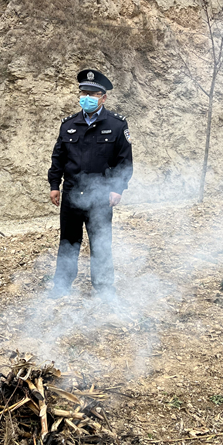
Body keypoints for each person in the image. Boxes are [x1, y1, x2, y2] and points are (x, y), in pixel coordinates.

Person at [47, 68, 133, 299]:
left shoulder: (117, 125)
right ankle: (61, 286)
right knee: (68, 242)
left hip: (101, 196)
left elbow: (125, 161)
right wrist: (54, 185)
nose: (87, 97)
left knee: (101, 243)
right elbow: (58, 158)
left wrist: (117, 188)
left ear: (103, 98)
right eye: (84, 93)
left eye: (93, 94)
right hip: (72, 194)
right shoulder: (68, 124)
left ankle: (104, 288)